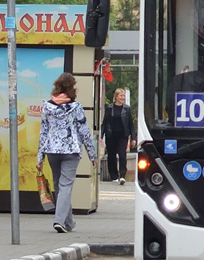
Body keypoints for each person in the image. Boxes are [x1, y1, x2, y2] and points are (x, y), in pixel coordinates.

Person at [36, 72, 98, 233]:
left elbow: (43, 132)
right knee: (65, 186)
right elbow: (84, 132)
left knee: (59, 186)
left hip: (52, 150)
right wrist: (92, 155)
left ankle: (68, 222)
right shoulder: (76, 107)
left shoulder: (47, 107)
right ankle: (59, 221)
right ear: (72, 87)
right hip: (71, 151)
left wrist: (40, 157)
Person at [101, 88, 135, 184]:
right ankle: (114, 176)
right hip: (111, 135)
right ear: (116, 96)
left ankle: (122, 175)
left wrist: (133, 138)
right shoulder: (109, 108)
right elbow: (104, 123)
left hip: (123, 135)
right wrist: (101, 136)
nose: (122, 98)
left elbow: (131, 124)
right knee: (111, 156)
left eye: (123, 96)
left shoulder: (127, 109)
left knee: (122, 154)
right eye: (121, 96)